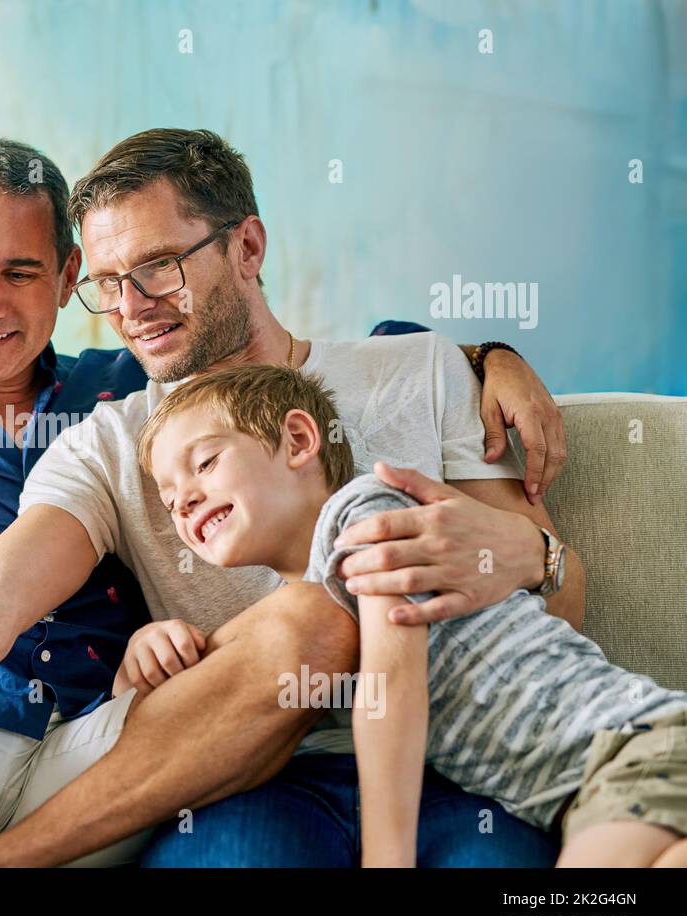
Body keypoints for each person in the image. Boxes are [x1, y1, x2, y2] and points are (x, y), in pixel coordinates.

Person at [0, 132, 570, 868]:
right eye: (111, 283)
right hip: (213, 768)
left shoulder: (417, 370)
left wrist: (514, 484)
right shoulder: (113, 434)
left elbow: (562, 603)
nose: (131, 306)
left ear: (248, 247)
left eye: (160, 268)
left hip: (431, 761)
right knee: (314, 623)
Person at [134, 363, 687, 868]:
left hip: (628, 747)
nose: (182, 500)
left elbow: (391, 687)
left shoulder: (369, 514)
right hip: (592, 787)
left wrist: (386, 860)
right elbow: (246, 706)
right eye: (167, 498)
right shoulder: (311, 605)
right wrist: (155, 652)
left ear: (300, 440)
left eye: (204, 463)